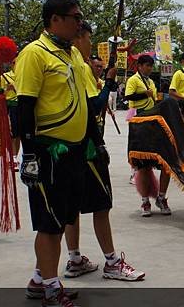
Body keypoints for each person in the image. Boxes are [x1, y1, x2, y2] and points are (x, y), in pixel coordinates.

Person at [15, 0, 94, 305]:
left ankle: (39, 279)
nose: (79, 23)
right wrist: (29, 154)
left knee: (61, 218)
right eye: (74, 17)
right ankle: (50, 287)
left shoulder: (72, 54)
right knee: (48, 222)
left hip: (73, 151)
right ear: (55, 20)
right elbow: (24, 106)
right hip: (47, 152)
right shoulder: (35, 54)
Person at [61, 21, 144, 283]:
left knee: (72, 206)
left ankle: (74, 258)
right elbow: (93, 106)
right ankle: (111, 261)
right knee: (101, 205)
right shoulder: (79, 66)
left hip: (71, 145)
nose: (89, 44)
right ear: (78, 39)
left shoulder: (67, 63)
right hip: (86, 146)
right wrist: (108, 84)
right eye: (87, 38)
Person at [125, 56, 170, 217]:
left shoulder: (150, 81)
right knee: (142, 164)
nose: (149, 68)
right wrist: (144, 94)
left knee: (166, 162)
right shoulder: (133, 80)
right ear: (139, 66)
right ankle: (145, 201)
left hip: (153, 122)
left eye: (151, 66)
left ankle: (162, 197)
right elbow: (128, 96)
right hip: (139, 122)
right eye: (147, 65)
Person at [0, 62, 21, 171]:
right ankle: (12, 157)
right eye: (14, 63)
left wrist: (15, 88)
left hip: (20, 105)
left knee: (18, 133)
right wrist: (7, 89)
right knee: (10, 133)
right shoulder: (4, 77)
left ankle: (15, 157)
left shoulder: (23, 76)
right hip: (9, 106)